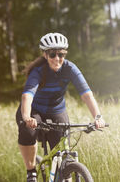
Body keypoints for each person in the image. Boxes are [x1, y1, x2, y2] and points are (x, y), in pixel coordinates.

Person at [16, 32, 105, 182]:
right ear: (45, 54)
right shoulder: (38, 71)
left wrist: (98, 116)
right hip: (34, 109)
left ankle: (64, 175)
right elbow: (27, 96)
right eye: (52, 54)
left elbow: (87, 95)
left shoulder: (70, 68)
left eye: (61, 54)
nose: (57, 58)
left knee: (64, 153)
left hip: (56, 110)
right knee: (28, 131)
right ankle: (31, 170)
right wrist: (26, 117)